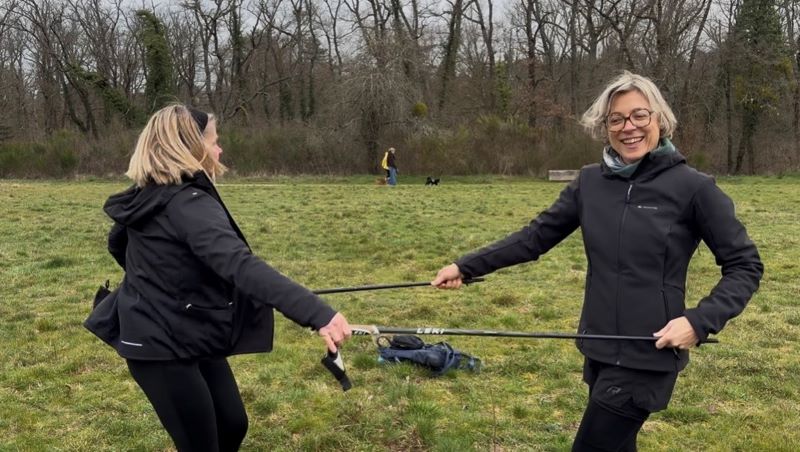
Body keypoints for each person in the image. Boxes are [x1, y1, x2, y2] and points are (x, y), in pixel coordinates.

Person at [431, 71, 763, 451]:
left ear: (659, 119)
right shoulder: (590, 183)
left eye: (640, 115)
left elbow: (745, 265)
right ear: (605, 127)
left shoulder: (694, 188)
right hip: (599, 349)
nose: (629, 128)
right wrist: (466, 265)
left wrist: (699, 321)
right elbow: (535, 237)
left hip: (648, 355)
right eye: (616, 119)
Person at [85, 104, 351, 452]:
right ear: (191, 147)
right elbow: (240, 265)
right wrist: (318, 314)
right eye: (214, 141)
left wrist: (175, 284)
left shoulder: (152, 195)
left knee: (231, 424)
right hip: (157, 345)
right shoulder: (187, 204)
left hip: (188, 328)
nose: (219, 149)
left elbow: (117, 243)